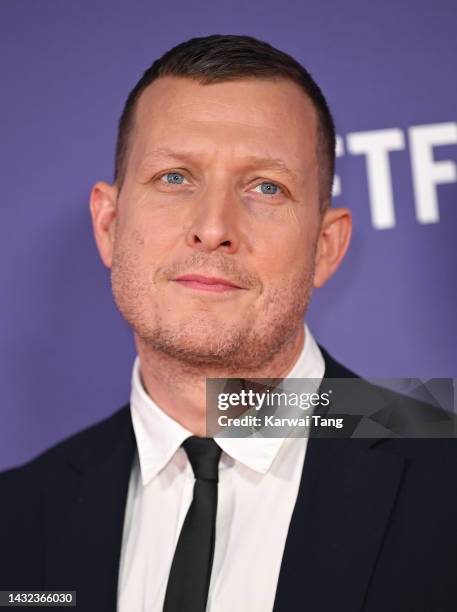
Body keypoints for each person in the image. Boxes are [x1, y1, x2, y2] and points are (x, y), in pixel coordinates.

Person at [0, 34, 456, 612]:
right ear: (109, 223)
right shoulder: (15, 520)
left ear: (325, 247)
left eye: (266, 187)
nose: (213, 226)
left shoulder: (445, 471)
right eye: (174, 178)